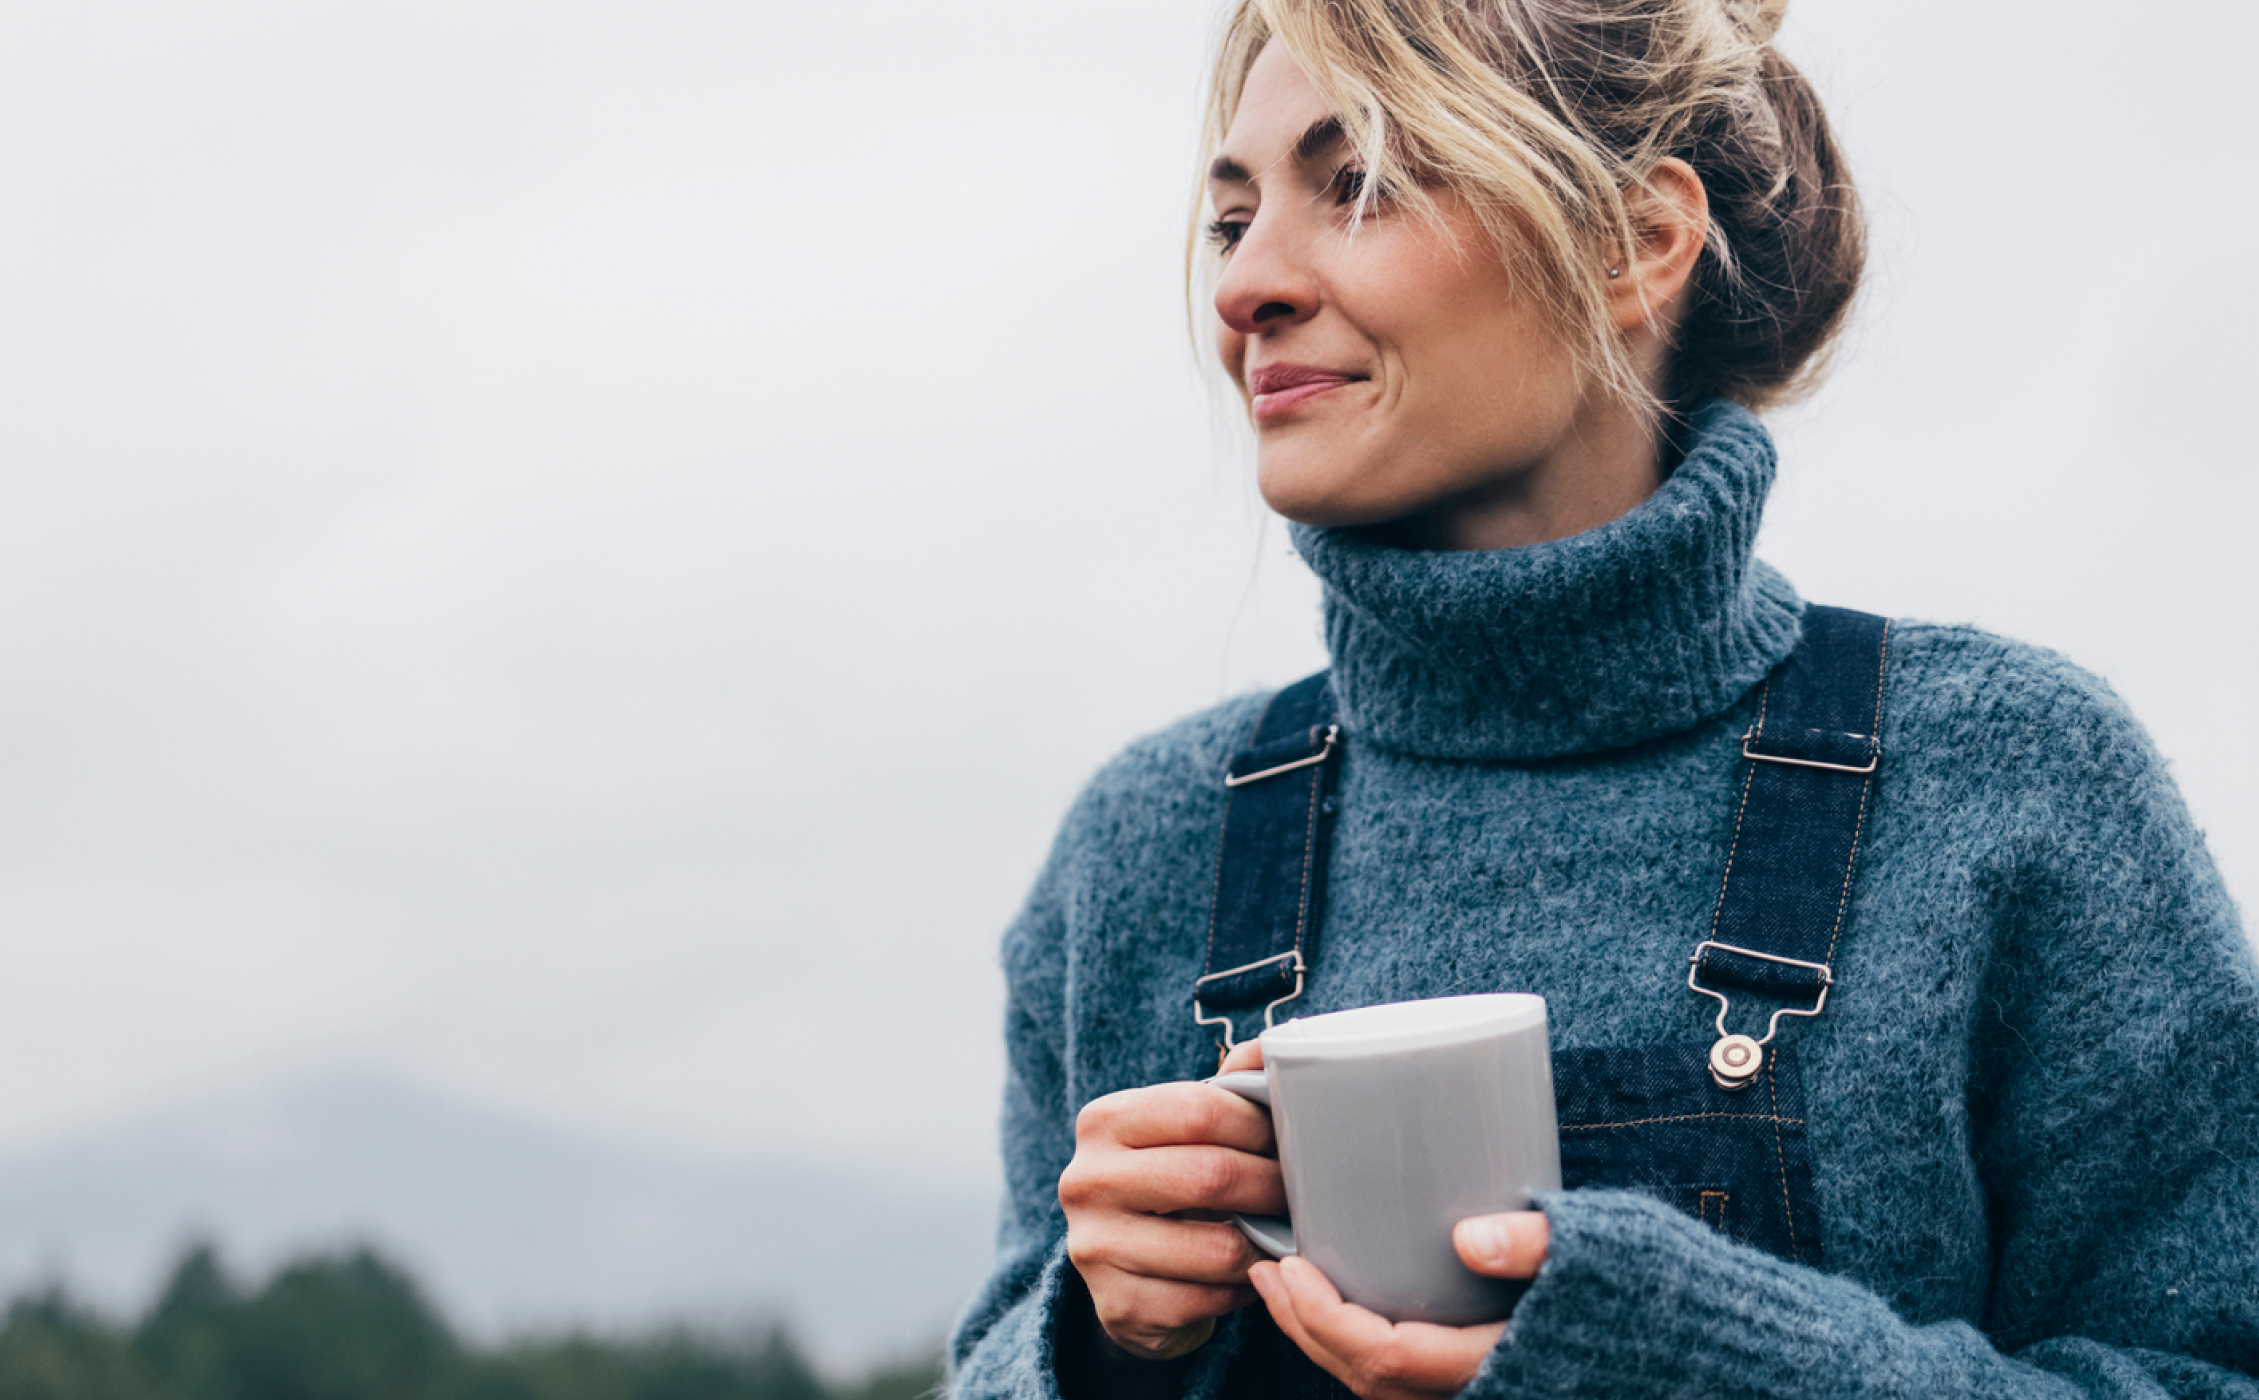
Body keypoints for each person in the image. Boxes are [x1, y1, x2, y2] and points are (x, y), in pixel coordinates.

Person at [946, 0, 2259, 1396]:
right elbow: (991, 1365)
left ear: (1639, 244)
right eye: (1228, 219)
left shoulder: (2012, 784)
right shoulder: (1144, 849)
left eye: (1363, 183)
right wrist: (1090, 1346)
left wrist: (1697, 1361)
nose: (1244, 283)